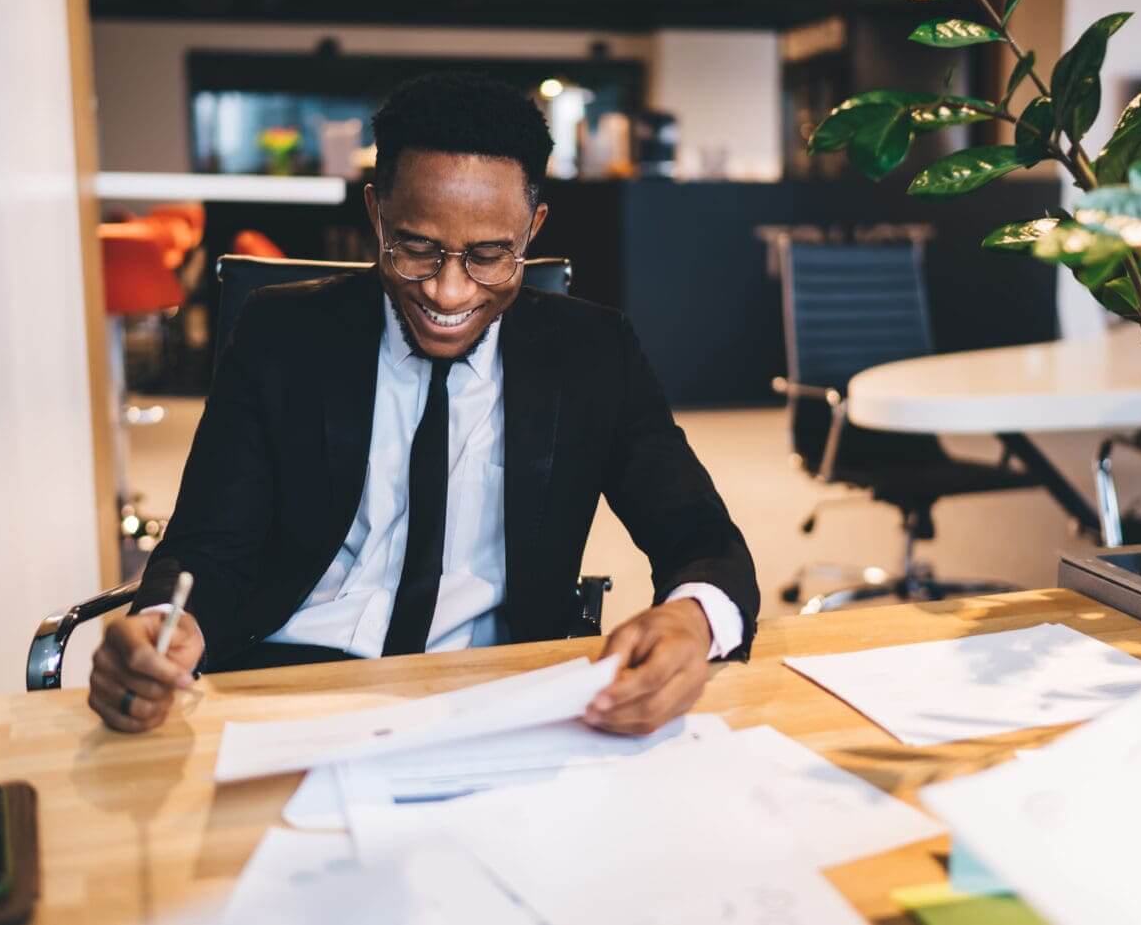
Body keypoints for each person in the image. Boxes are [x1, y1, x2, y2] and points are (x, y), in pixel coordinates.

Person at [87, 72, 758, 736]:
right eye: (416, 247)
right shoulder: (280, 338)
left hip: (499, 696)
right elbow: (208, 546)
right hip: (289, 686)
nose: (448, 290)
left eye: (491, 255)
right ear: (378, 213)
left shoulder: (593, 352)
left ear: (533, 228)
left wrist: (692, 618)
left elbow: (702, 538)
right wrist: (165, 627)